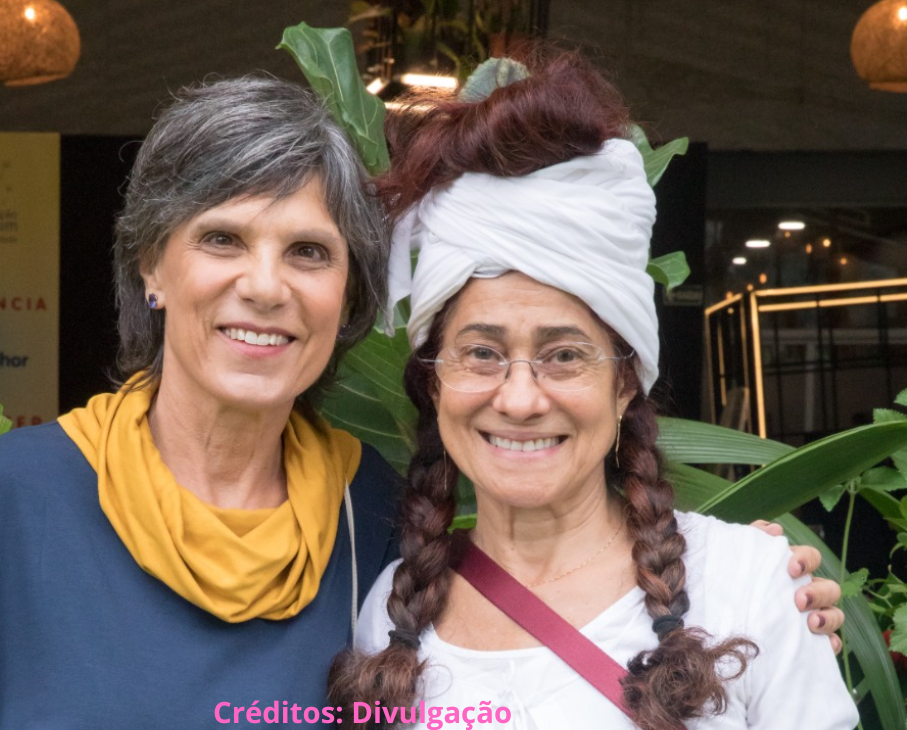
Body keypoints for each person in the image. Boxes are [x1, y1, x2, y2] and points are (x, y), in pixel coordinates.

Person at [0, 73, 840, 730]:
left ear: (347, 297)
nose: (266, 286)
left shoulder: (377, 533)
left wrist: (760, 594)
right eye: (223, 238)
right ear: (152, 263)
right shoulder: (8, 503)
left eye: (309, 252)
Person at [331, 51, 858, 729]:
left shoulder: (748, 587)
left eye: (563, 356)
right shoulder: (386, 617)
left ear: (622, 383)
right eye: (482, 353)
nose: (519, 399)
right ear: (434, 383)